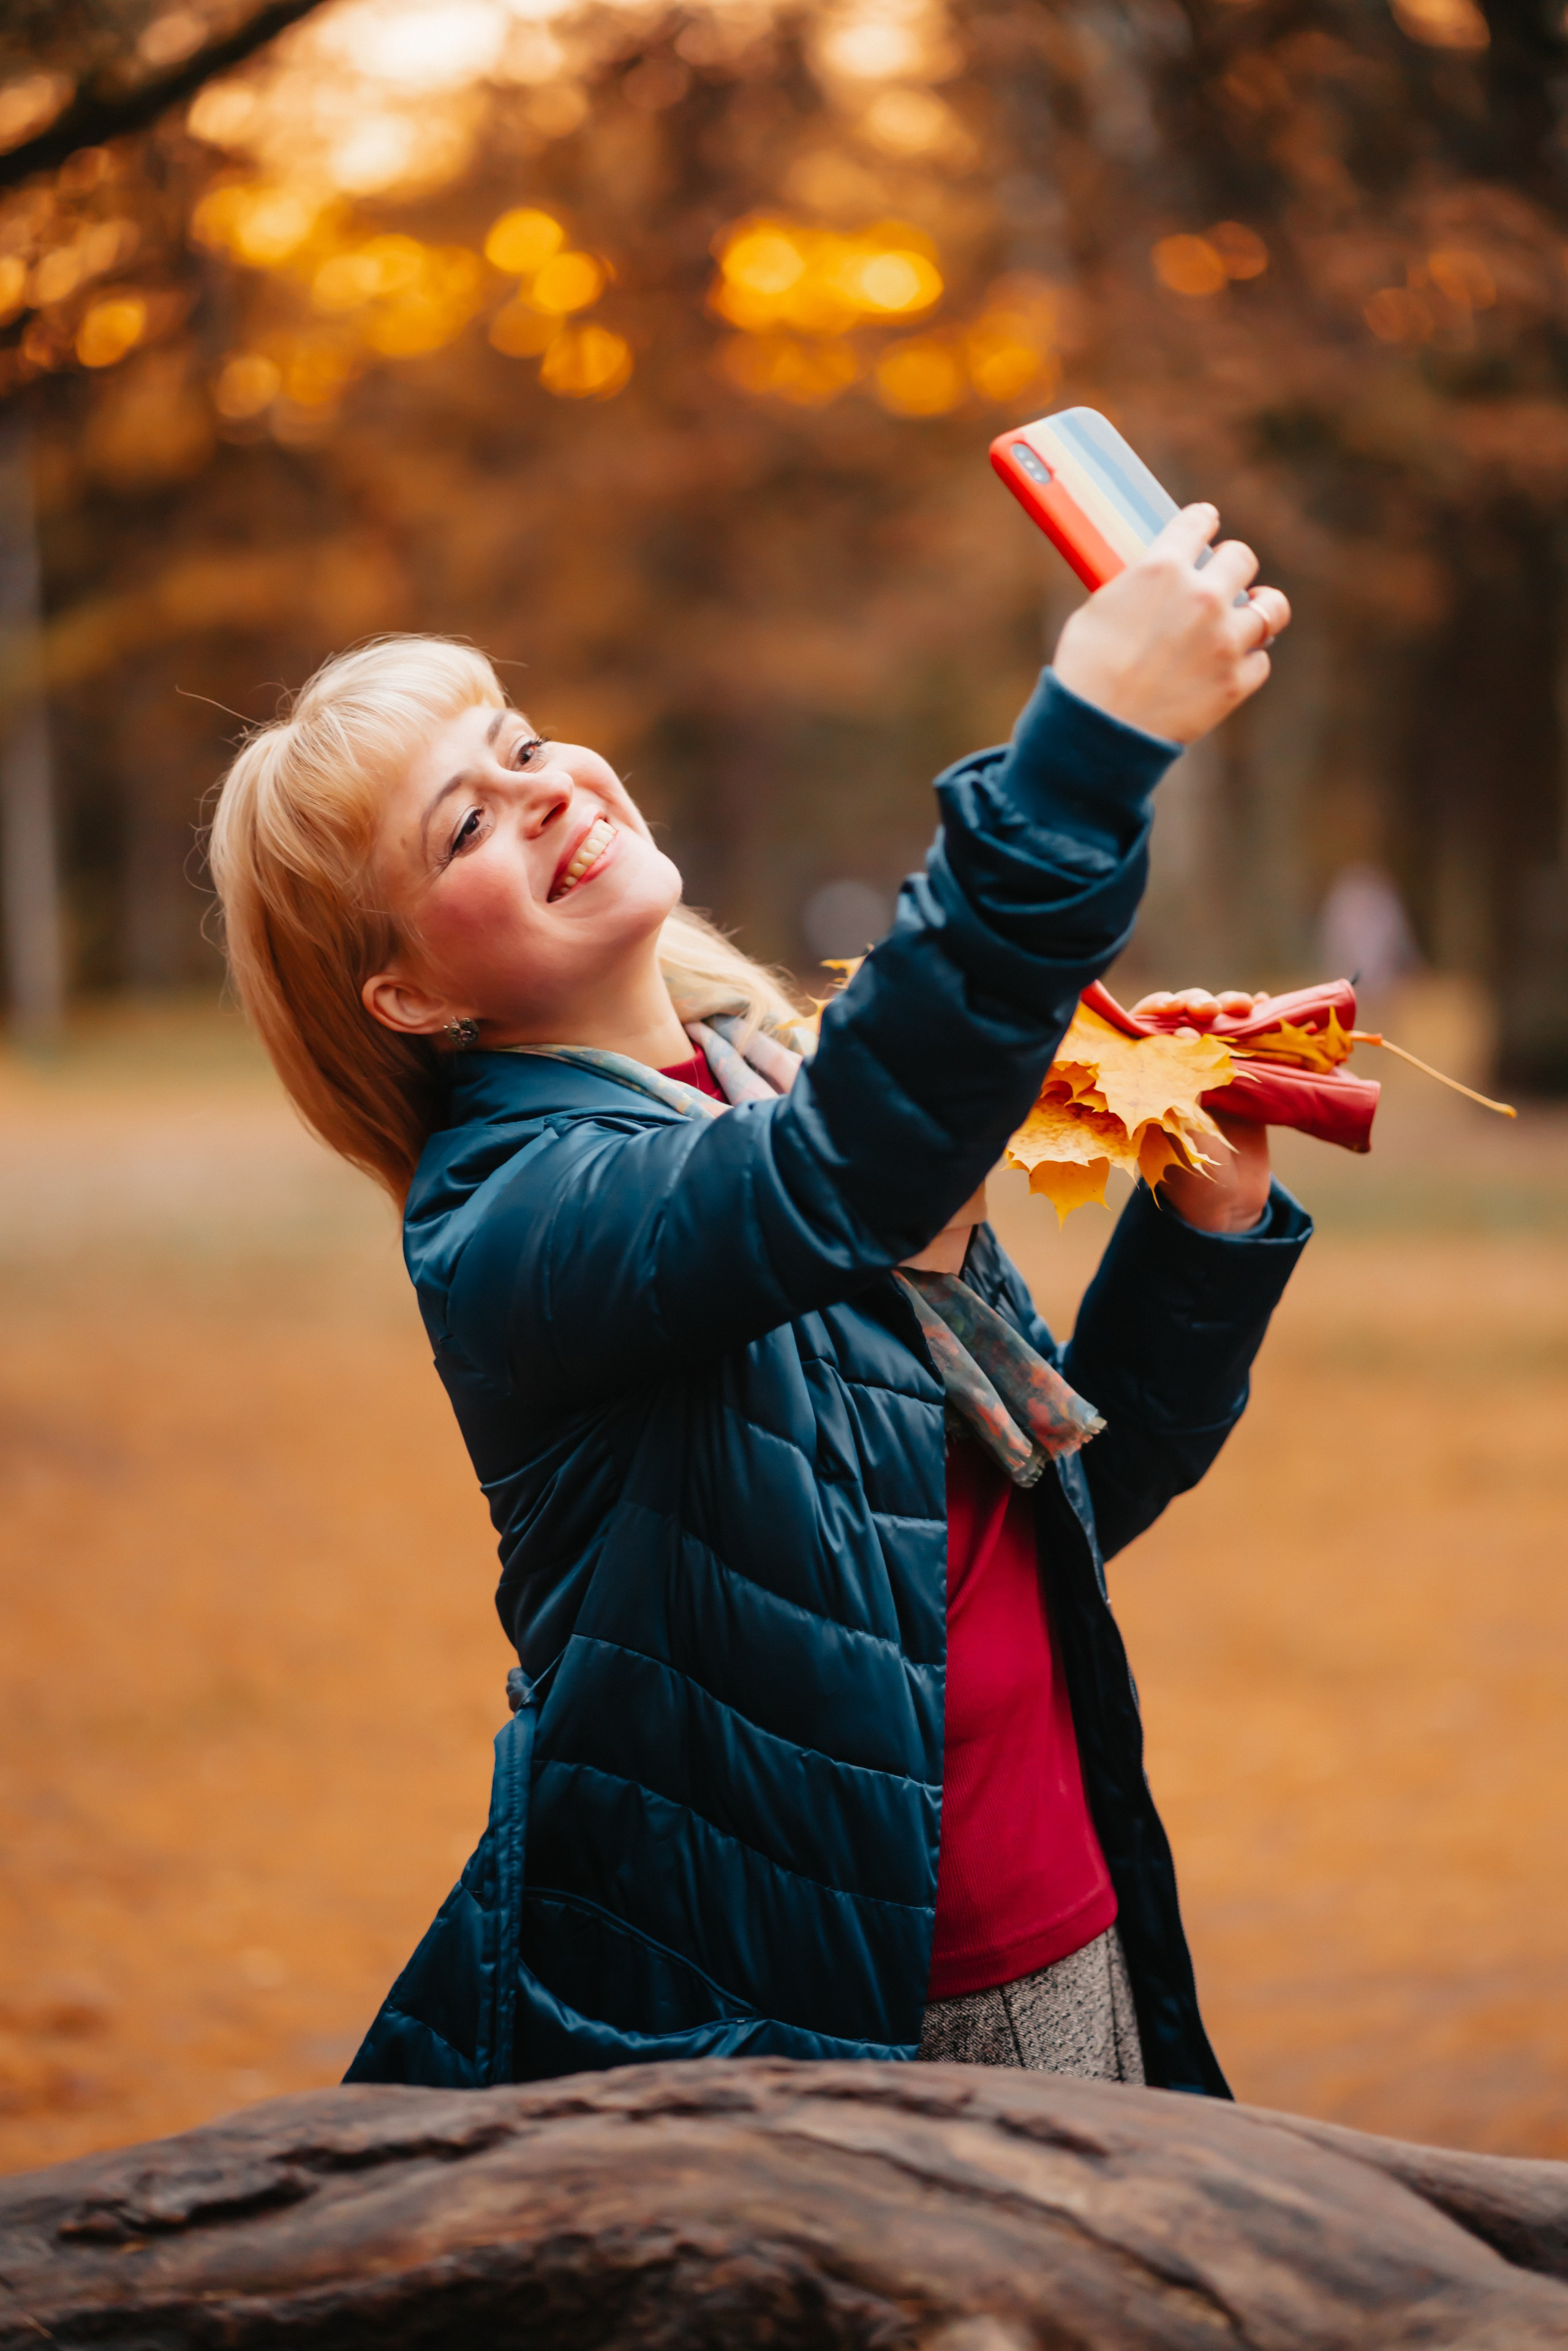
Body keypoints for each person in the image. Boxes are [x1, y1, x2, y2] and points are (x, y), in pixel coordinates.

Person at [208, 505, 1308, 2095]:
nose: (545, 794)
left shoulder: (766, 1080)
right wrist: (1086, 746)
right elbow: (841, 1167)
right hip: (826, 2008)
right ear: (412, 997)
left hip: (1065, 1920)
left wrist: (1208, 1232)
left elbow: (1042, 1522)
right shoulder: (514, 1221)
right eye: (464, 827)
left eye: (521, 745)